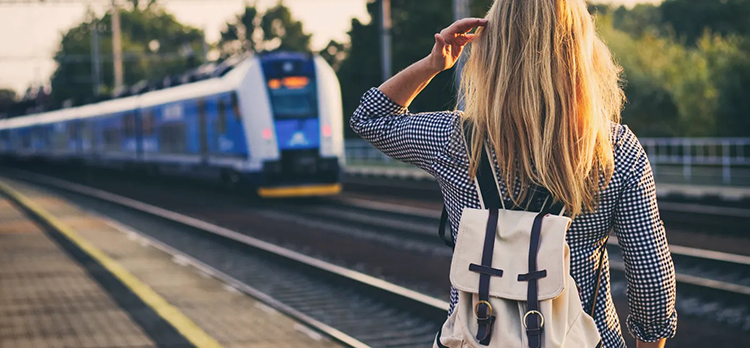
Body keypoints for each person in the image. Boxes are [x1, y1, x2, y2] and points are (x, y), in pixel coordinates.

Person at [349, 0, 677, 347]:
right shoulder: (612, 150)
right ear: (581, 50)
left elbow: (370, 118)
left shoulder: (453, 141)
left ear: (492, 52)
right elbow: (652, 281)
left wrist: (435, 64)